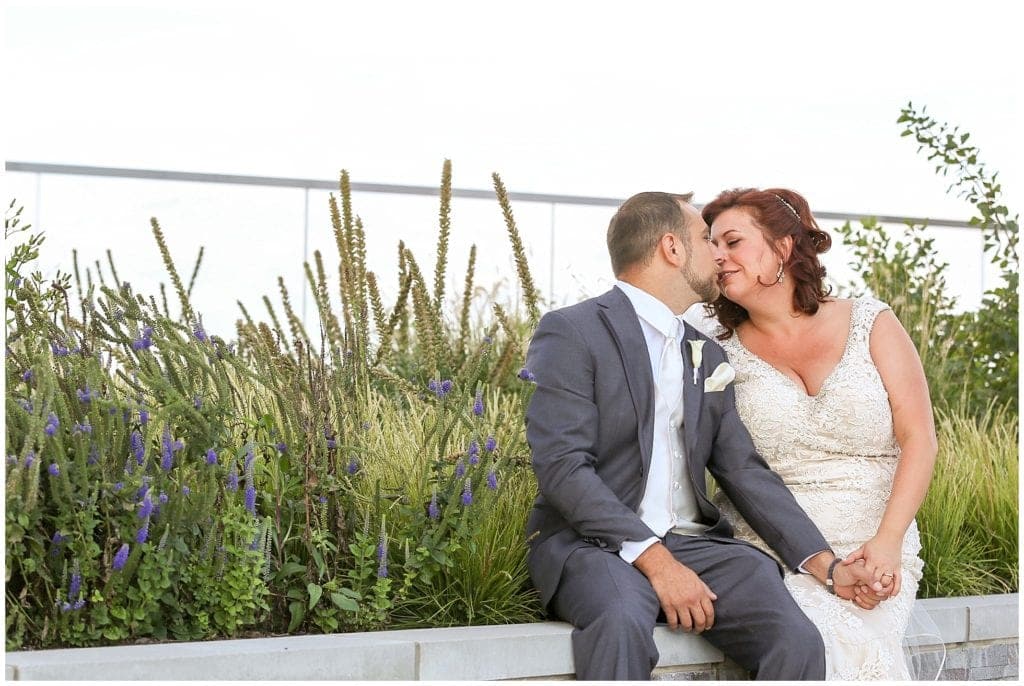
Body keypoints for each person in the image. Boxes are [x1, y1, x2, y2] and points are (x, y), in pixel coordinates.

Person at [523, 191, 887, 681]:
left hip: (696, 547)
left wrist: (827, 566)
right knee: (620, 619)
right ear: (672, 249)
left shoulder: (706, 354)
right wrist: (656, 562)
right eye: (704, 239)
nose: (718, 254)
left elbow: (742, 470)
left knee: (796, 639)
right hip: (594, 547)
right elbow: (564, 467)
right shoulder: (574, 331)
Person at [696, 187, 937, 679]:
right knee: (819, 644)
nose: (717, 256)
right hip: (770, 555)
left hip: (877, 550)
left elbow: (919, 439)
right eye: (711, 244)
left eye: (733, 241)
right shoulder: (711, 348)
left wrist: (887, 544)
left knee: (861, 645)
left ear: (784, 247)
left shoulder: (871, 321)